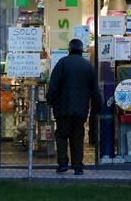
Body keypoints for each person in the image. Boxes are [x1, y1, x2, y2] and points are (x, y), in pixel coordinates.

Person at [47, 39, 102, 175]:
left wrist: (51, 101)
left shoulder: (62, 63)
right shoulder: (88, 66)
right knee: (77, 136)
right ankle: (77, 167)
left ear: (69, 49)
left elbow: (53, 85)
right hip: (80, 109)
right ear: (81, 50)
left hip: (62, 108)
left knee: (62, 135)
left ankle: (62, 164)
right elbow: (95, 90)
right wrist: (95, 108)